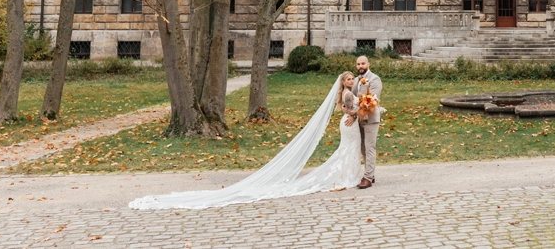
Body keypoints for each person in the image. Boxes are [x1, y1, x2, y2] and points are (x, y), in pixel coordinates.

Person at [129, 71, 363, 210]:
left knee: (348, 150)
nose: (351, 80)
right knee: (348, 150)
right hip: (349, 124)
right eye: (349, 78)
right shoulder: (347, 93)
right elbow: (347, 109)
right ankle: (347, 176)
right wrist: (362, 109)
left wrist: (361, 106)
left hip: (348, 124)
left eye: (352, 78)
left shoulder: (349, 92)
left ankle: (348, 175)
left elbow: (346, 108)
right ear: (343, 82)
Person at [352, 55, 383, 189]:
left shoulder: (375, 79)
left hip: (371, 118)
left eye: (363, 63)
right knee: (363, 147)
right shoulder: (355, 80)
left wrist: (364, 110)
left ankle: (368, 178)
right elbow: (353, 97)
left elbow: (373, 98)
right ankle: (370, 173)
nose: (360, 66)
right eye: (358, 64)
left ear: (368, 64)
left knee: (370, 146)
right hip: (359, 117)